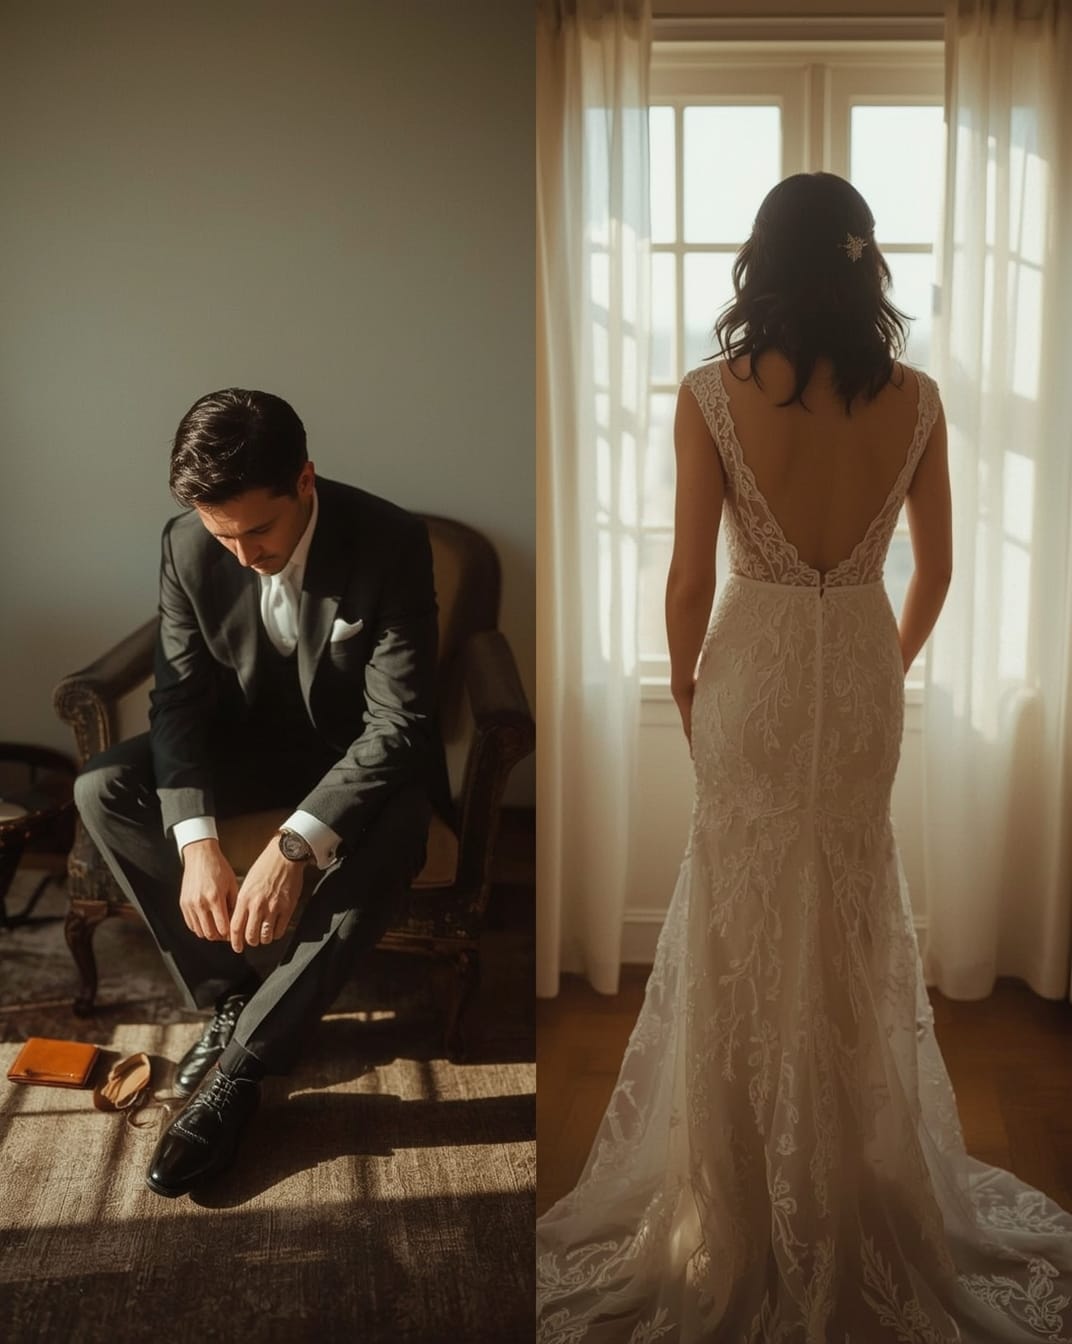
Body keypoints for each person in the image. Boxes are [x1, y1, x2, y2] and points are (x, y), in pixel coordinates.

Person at [536, 174, 1072, 1341]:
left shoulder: (709, 395)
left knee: (740, 915)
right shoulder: (917, 399)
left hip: (751, 674)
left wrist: (685, 681)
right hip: (859, 669)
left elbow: (687, 578)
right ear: (863, 261)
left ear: (759, 264)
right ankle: (835, 1174)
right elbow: (933, 570)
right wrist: (882, 653)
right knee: (845, 915)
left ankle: (733, 1193)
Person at [75, 388, 447, 1199]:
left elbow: (401, 722)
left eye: (259, 531)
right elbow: (176, 700)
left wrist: (294, 843)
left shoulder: (388, 541)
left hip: (361, 760)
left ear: (305, 480)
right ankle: (228, 994)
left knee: (400, 824)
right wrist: (198, 842)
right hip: (249, 751)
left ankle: (240, 1073)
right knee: (102, 787)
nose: (242, 555)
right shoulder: (185, 544)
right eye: (223, 536)